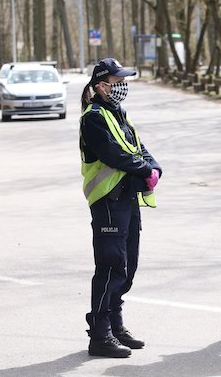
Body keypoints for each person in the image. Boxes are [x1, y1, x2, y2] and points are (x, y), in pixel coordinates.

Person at [79, 58, 162, 358]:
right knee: (111, 267)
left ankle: (115, 324)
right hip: (108, 202)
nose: (123, 86)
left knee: (128, 268)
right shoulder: (94, 117)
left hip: (126, 199)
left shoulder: (119, 113)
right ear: (101, 85)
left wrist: (154, 167)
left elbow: (139, 148)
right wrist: (144, 170)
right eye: (118, 81)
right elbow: (116, 155)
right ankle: (100, 334)